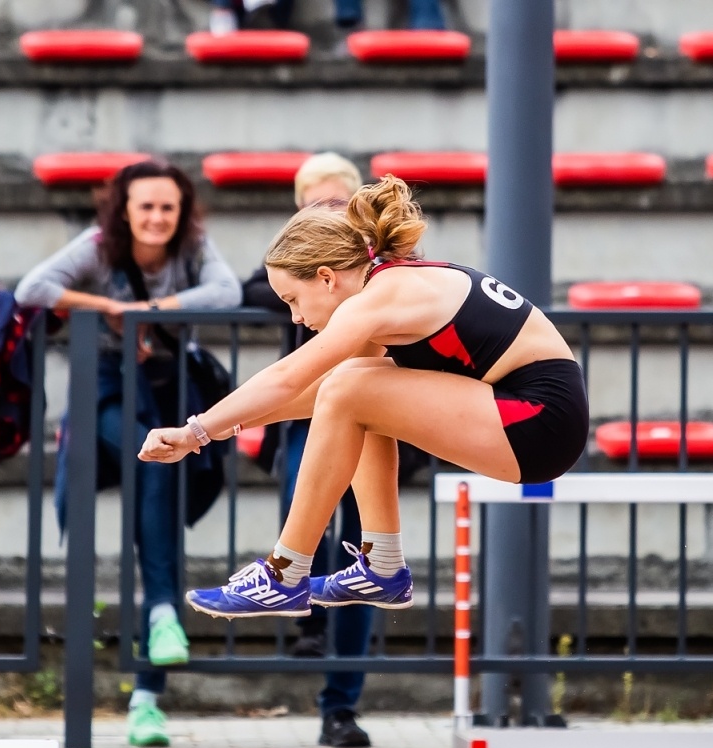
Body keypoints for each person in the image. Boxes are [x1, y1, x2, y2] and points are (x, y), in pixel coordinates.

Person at [140, 177, 586, 626]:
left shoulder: (379, 298)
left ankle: (285, 570)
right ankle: (382, 566)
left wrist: (198, 429)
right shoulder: (386, 289)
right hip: (530, 409)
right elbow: (317, 394)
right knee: (353, 383)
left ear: (327, 278)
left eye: (293, 299)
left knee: (351, 389)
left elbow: (288, 377)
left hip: (539, 419)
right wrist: (211, 431)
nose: (295, 316)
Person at [15, 159, 241, 748]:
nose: (157, 217)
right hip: (107, 388)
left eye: (168, 207)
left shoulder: (192, 246)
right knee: (155, 460)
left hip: (169, 385)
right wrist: (110, 308)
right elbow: (30, 288)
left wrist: (153, 313)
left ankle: (147, 695)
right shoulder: (98, 247)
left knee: (159, 475)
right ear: (124, 209)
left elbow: (227, 290)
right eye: (146, 206)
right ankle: (163, 614)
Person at [241, 153, 374, 748]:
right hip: (307, 415)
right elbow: (249, 287)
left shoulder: (379, 275)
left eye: (335, 208)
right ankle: (308, 614)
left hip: (372, 418)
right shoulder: (300, 271)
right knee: (306, 508)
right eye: (311, 207)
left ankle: (340, 704)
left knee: (366, 554)